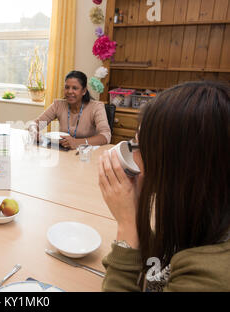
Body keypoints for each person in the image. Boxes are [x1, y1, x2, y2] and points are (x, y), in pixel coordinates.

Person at [98, 81, 230, 292]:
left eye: (140, 146)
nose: (134, 158)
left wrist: (128, 225)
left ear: (181, 166)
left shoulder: (215, 275)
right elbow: (159, 267)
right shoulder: (200, 214)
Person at [28, 70, 111, 150]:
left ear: (84, 91)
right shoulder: (58, 105)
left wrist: (77, 142)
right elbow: (35, 123)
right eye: (67, 87)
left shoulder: (96, 107)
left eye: (75, 88)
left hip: (86, 154)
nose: (70, 91)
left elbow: (106, 136)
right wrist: (34, 131)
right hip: (64, 153)